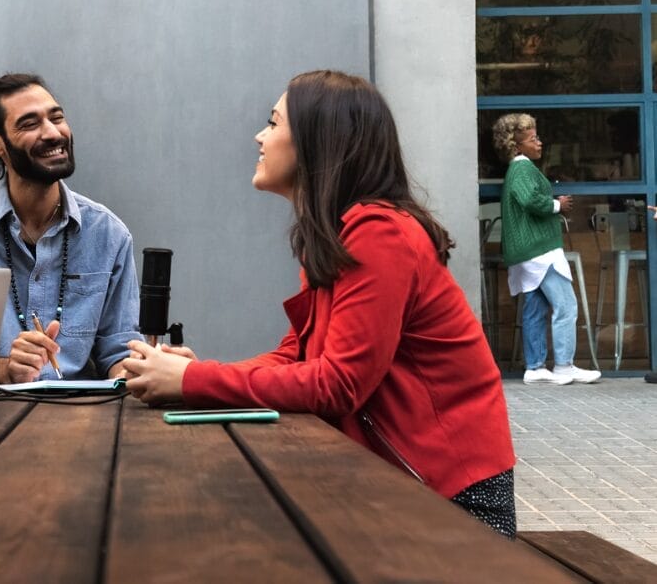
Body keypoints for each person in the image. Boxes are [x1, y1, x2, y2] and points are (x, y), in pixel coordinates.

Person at [122, 70, 518, 538]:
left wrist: (194, 380)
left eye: (273, 123)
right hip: (401, 478)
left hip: (447, 488)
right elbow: (297, 356)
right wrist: (194, 377)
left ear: (318, 142)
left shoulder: (379, 232)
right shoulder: (338, 235)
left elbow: (339, 383)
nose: (259, 137)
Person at [0, 73, 139, 383]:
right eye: (29, 124)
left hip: (84, 420)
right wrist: (6, 367)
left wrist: (150, 369)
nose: (53, 133)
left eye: (57, 117)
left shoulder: (109, 234)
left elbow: (119, 352)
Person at [492, 113, 601, 385]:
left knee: (535, 308)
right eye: (533, 139)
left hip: (525, 252)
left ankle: (535, 366)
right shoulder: (522, 168)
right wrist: (557, 205)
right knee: (566, 305)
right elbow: (530, 199)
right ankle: (564, 365)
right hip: (539, 250)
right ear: (517, 147)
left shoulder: (518, 169)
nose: (539, 143)